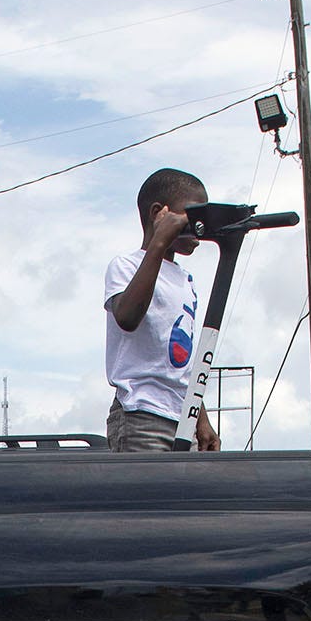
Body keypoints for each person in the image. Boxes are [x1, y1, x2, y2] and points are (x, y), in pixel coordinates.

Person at [103, 168, 219, 452]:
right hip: (141, 413)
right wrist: (160, 241)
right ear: (159, 213)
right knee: (147, 495)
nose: (199, 226)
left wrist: (201, 417)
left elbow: (185, 359)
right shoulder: (126, 266)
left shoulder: (185, 279)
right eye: (192, 215)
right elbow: (128, 317)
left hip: (183, 416)